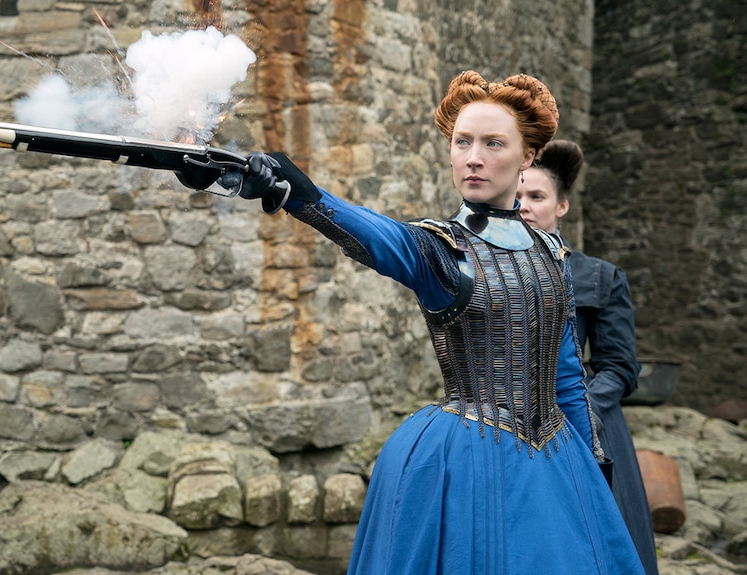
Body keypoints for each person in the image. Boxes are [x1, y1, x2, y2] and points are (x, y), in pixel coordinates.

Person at [224, 70, 645, 574]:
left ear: (528, 156)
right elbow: (375, 235)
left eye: (493, 143)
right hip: (463, 457)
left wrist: (592, 476)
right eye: (462, 142)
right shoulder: (439, 249)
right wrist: (299, 192)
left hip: (557, 460)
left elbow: (567, 378)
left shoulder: (552, 254)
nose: (473, 157)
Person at [517, 139, 659, 575]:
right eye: (517, 195)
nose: (523, 206)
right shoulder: (480, 269)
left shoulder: (599, 276)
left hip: (584, 425)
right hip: (503, 423)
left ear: (561, 206)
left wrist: (577, 410)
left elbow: (619, 367)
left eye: (536, 196)